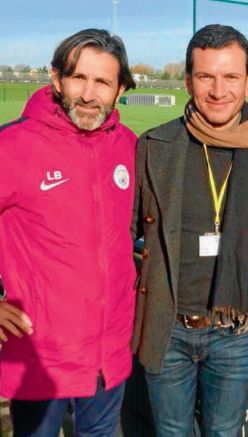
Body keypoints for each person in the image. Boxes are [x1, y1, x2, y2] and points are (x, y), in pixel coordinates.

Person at [131, 24, 248, 436]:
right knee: (170, 432)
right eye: (205, 76)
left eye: (231, 76)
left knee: (224, 432)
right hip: (168, 328)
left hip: (234, 333)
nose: (218, 90)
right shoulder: (154, 145)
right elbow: (119, 232)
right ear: (188, 80)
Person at [0, 29, 137, 436]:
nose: (89, 94)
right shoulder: (14, 144)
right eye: (79, 78)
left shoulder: (129, 146)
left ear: (120, 89)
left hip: (108, 351)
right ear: (56, 78)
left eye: (102, 82)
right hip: (43, 352)